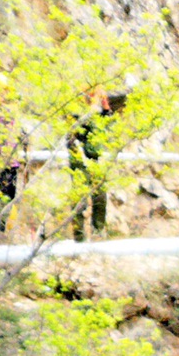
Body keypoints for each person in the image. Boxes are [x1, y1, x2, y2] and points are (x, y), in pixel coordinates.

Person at [69, 88, 125, 242]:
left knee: (100, 197)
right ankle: (78, 236)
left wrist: (106, 107)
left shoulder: (100, 114)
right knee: (79, 199)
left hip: (97, 161)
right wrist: (91, 109)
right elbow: (72, 134)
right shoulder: (77, 112)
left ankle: (98, 231)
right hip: (80, 161)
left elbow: (109, 127)